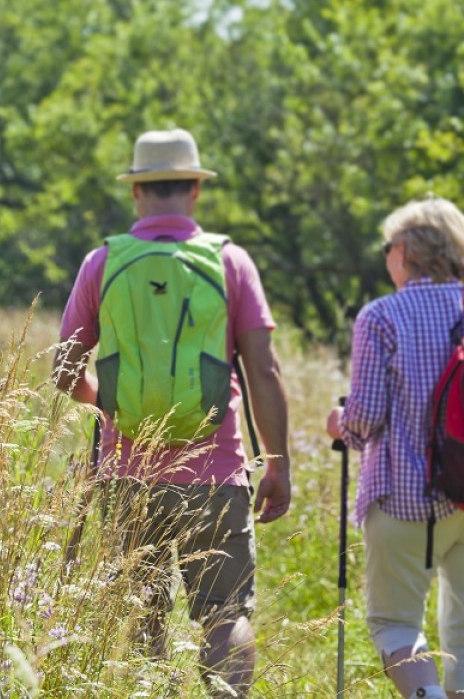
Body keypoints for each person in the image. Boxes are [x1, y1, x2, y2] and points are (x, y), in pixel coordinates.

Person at [53, 128, 292, 697]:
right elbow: (263, 369)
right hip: (217, 475)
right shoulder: (230, 262)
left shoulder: (103, 263)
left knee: (141, 617)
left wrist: (106, 403)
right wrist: (278, 465)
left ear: (137, 194)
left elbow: (63, 368)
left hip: (127, 474)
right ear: (195, 191)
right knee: (224, 615)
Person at [326, 197, 464, 699]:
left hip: (408, 501)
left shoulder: (381, 317)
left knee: (396, 624)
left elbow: (367, 418)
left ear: (403, 252)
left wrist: (340, 425)